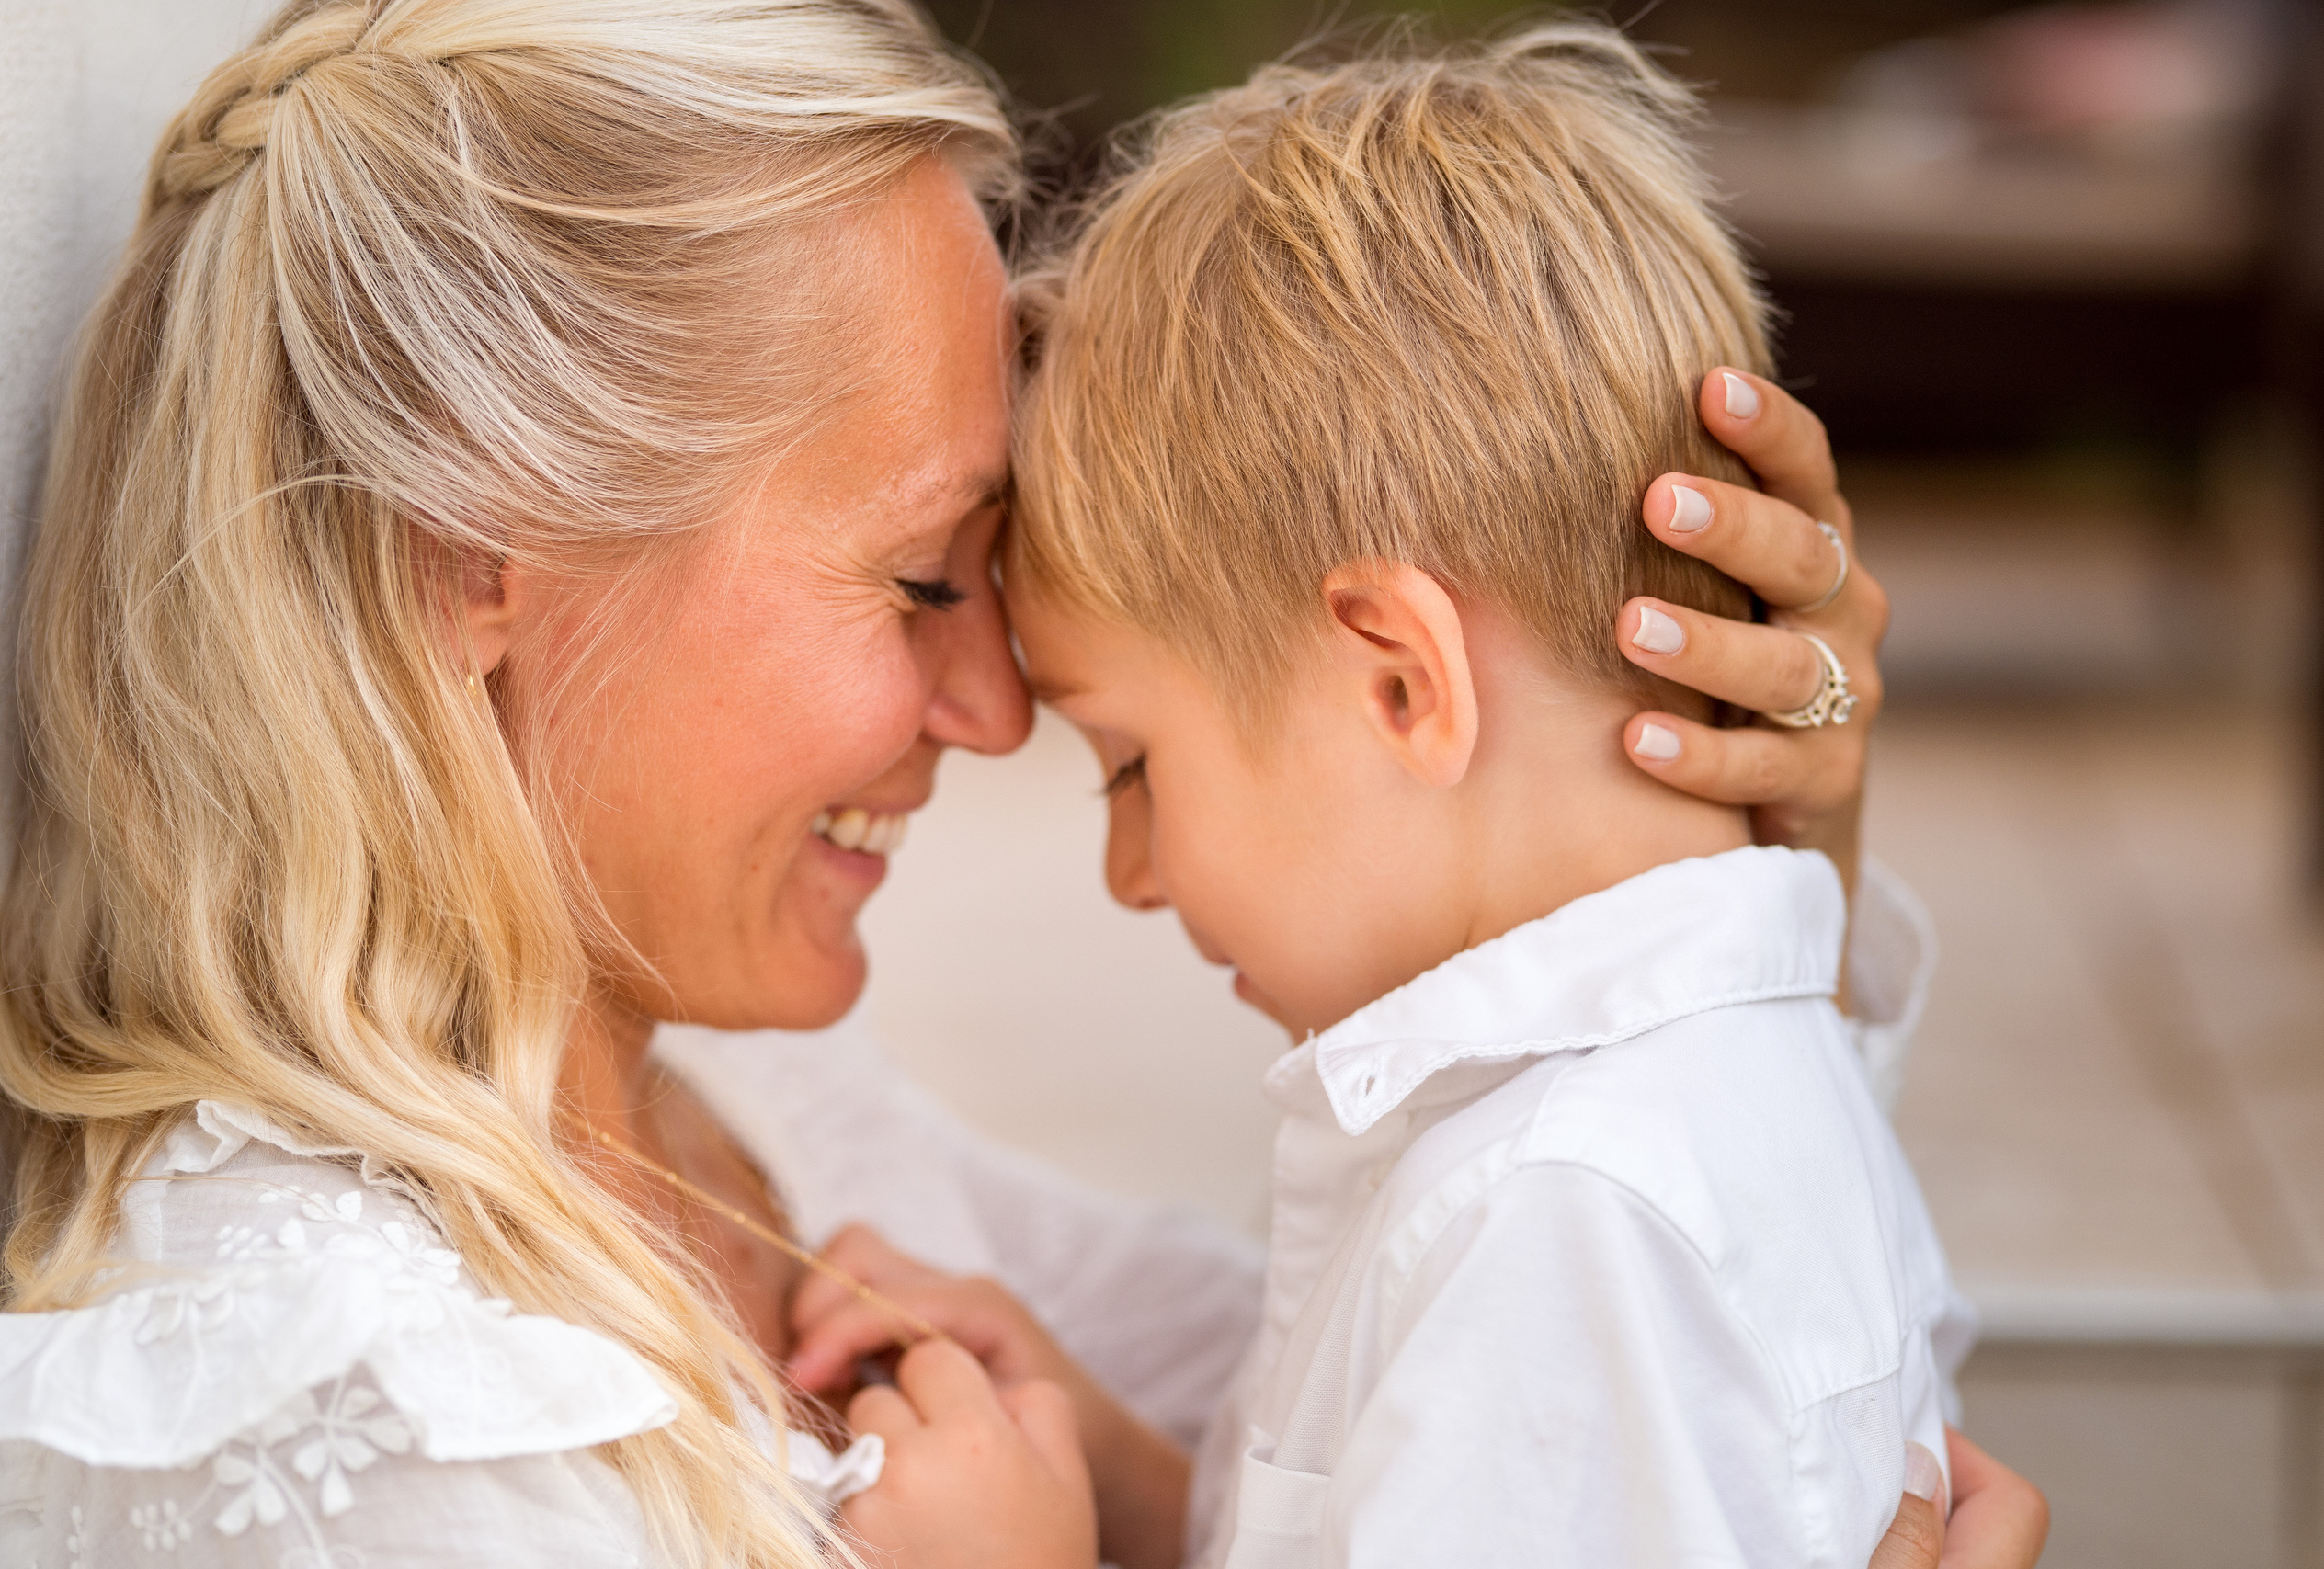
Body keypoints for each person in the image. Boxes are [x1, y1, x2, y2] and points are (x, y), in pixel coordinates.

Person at [0, 2, 2045, 1566]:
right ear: (473, 558)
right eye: (915, 572)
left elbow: (1402, 1394)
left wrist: (1727, 866)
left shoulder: (767, 1105)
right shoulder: (368, 1422)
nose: (990, 713)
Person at [786, 25, 1969, 1568]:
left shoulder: (1563, 1227)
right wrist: (1139, 1485)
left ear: (1401, 678)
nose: (1128, 876)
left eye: (1132, 765)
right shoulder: (1675, 1108)